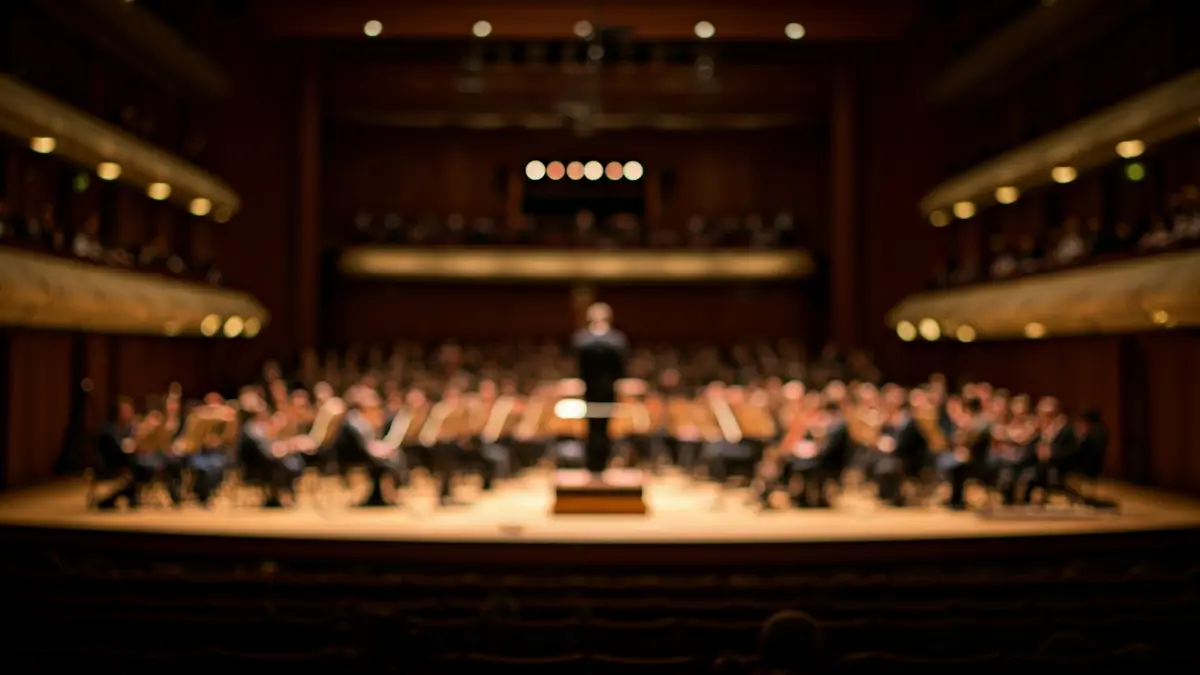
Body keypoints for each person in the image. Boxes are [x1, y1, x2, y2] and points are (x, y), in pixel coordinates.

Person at [572, 302, 628, 481]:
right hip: (589, 390)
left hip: (607, 390)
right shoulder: (585, 338)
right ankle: (592, 466)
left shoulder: (614, 339)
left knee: (605, 428)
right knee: (591, 428)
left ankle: (602, 465)